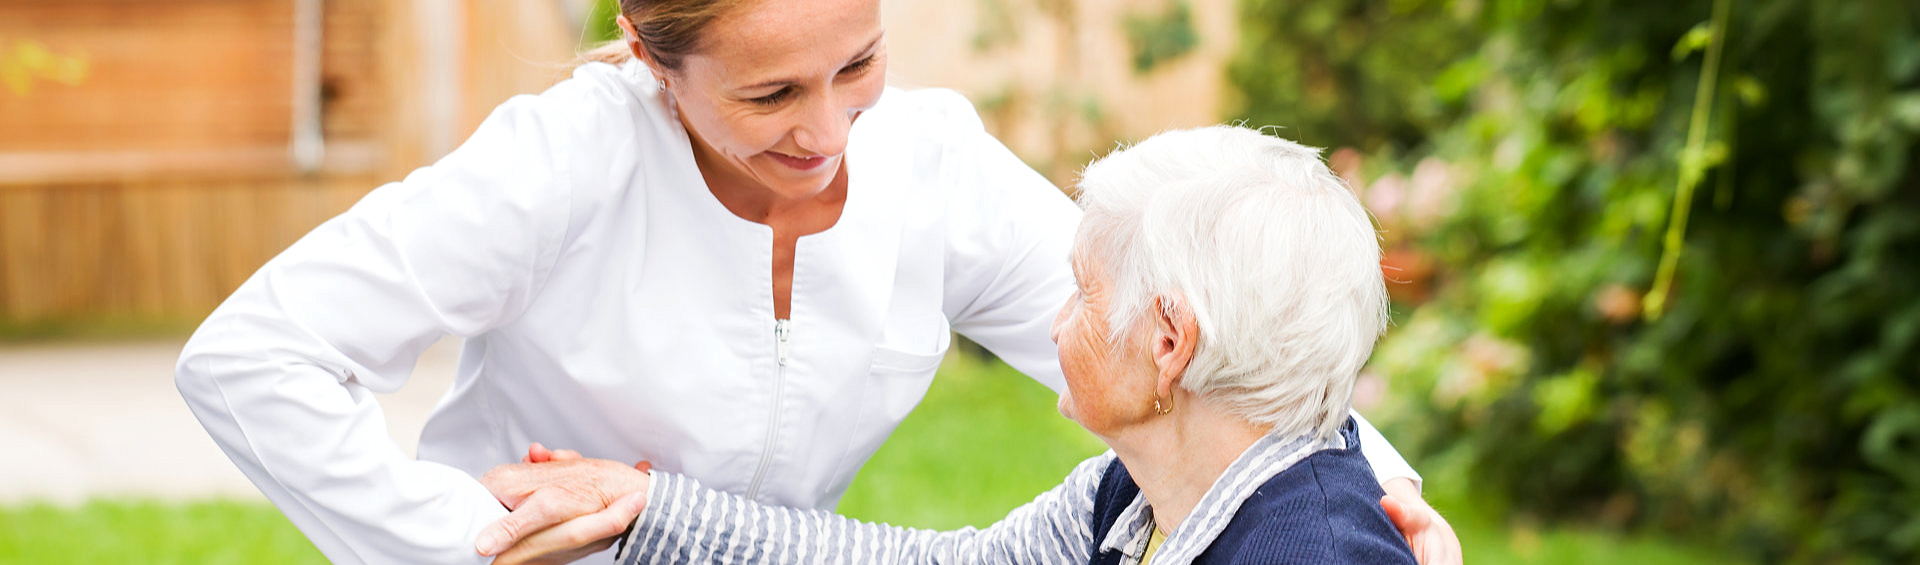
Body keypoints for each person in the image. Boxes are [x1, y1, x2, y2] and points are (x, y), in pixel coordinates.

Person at [172, 0, 1458, 562]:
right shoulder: (564, 160)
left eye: (858, 61)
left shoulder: (932, 161)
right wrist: (469, 547)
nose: (829, 126)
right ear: (651, 59)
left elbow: (1220, 339)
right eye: (769, 92)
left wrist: (1388, 503)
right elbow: (250, 359)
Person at [481, 125, 1423, 565]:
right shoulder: (1144, 489)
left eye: (1085, 297)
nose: (1055, 322)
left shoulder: (1310, 554)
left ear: (1168, 344)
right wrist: (651, 508)